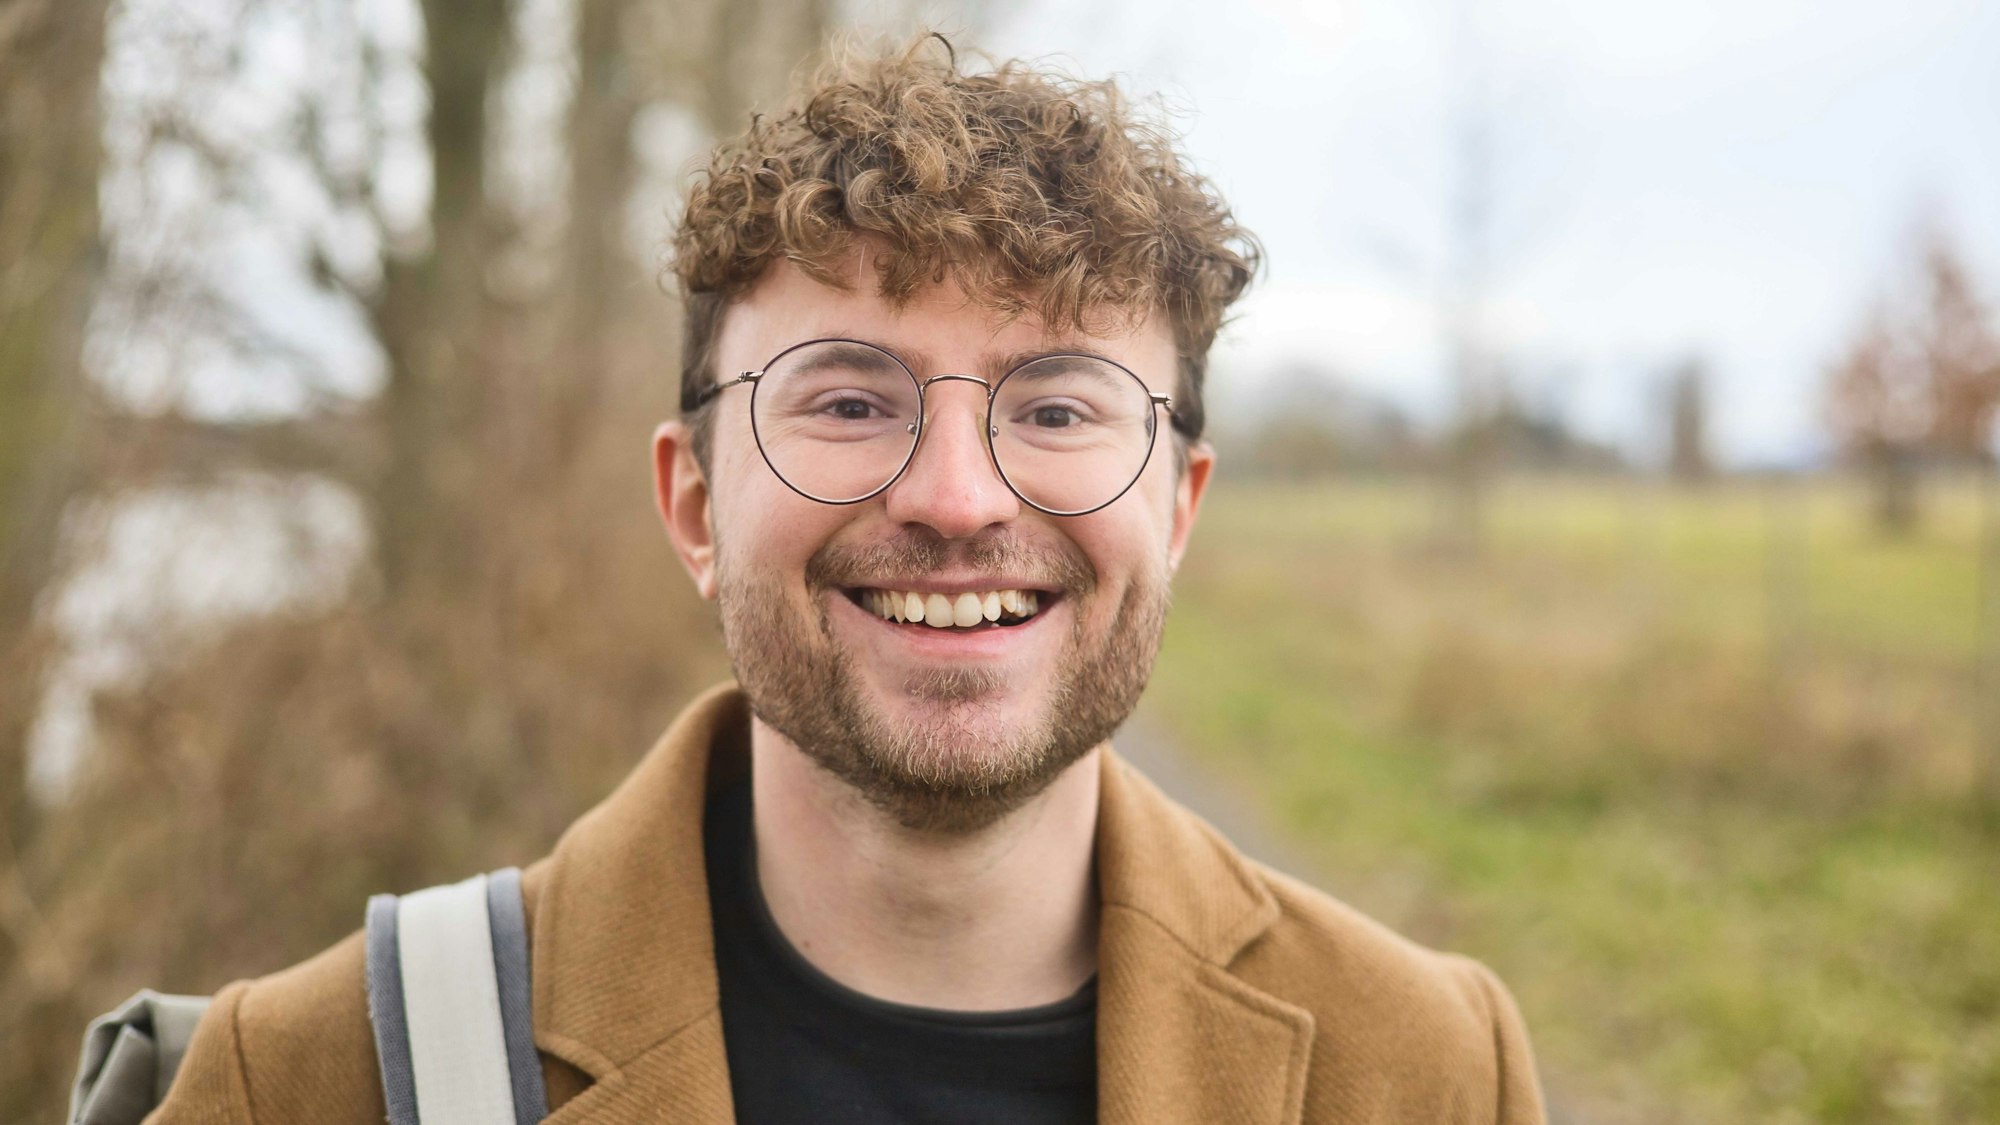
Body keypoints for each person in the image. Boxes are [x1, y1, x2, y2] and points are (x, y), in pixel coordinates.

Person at [145, 34, 1545, 1124]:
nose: (952, 497)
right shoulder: (320, 1077)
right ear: (694, 502)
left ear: (1177, 505)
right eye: (848, 402)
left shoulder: (1425, 1068)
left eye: (1059, 409)